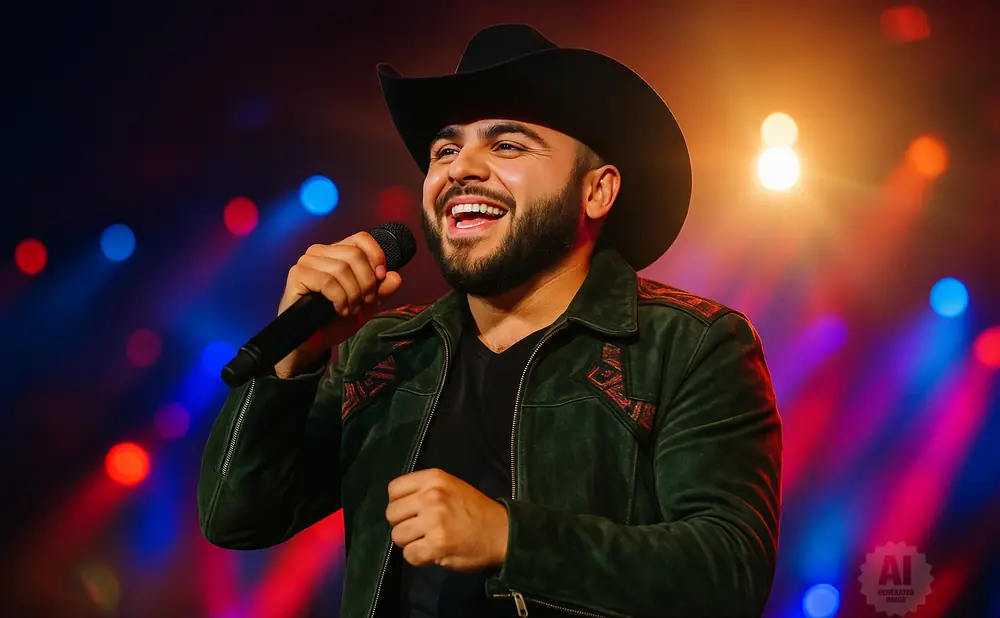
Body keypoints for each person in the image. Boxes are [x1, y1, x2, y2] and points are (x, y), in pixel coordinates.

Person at [198, 23, 782, 618]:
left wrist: (509, 537)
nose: (460, 169)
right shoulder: (384, 351)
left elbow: (728, 572)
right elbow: (237, 518)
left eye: (507, 145)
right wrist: (296, 359)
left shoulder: (689, 345)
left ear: (597, 191)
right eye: (444, 150)